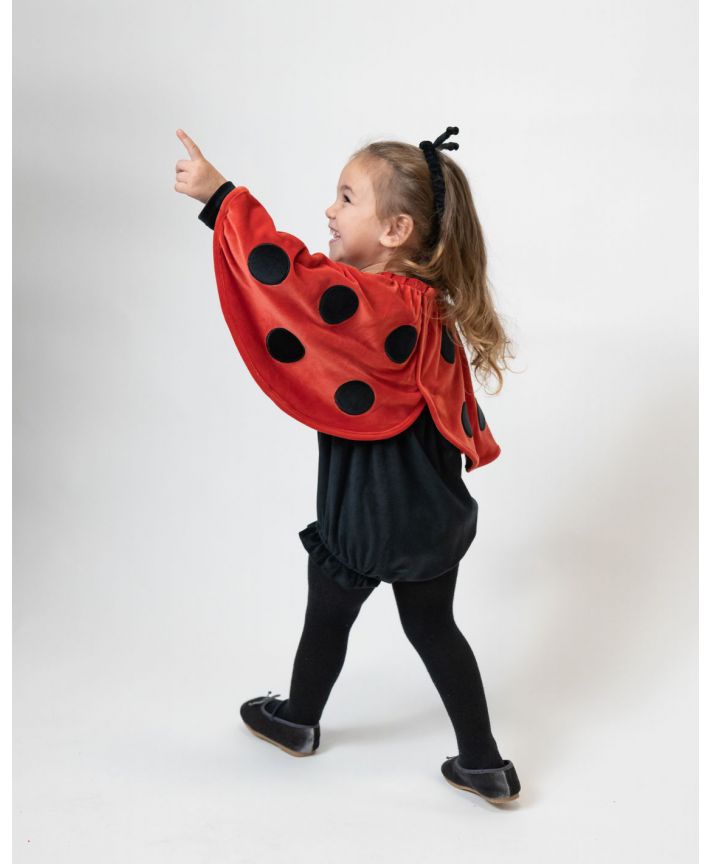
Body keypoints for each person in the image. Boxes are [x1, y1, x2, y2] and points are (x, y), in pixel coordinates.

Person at [174, 126, 521, 803]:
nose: (329, 210)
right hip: (432, 515)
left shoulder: (374, 302)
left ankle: (297, 720)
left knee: (328, 614)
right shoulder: (426, 304)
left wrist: (221, 199)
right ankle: (483, 763)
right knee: (433, 628)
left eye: (346, 198)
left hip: (367, 513)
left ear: (395, 229)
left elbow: (290, 277)